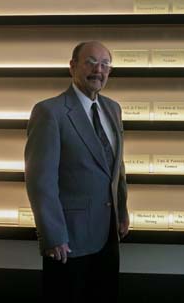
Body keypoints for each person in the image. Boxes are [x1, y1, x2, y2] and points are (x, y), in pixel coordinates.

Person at [25, 41, 129, 302]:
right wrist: (52, 234)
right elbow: (40, 181)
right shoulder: (50, 112)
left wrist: (122, 210)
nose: (98, 70)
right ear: (72, 67)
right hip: (68, 241)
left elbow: (116, 166)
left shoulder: (113, 109)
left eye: (105, 64)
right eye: (91, 62)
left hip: (107, 236)